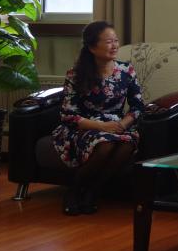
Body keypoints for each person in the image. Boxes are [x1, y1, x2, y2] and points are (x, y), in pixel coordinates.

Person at [52, 21, 144, 216]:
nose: (115, 45)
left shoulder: (126, 71)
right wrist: (102, 127)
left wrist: (122, 124)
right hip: (85, 126)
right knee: (105, 144)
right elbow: (68, 114)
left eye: (116, 41)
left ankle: (94, 191)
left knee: (127, 144)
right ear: (93, 47)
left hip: (117, 124)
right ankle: (74, 190)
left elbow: (137, 106)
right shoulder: (76, 74)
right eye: (109, 42)